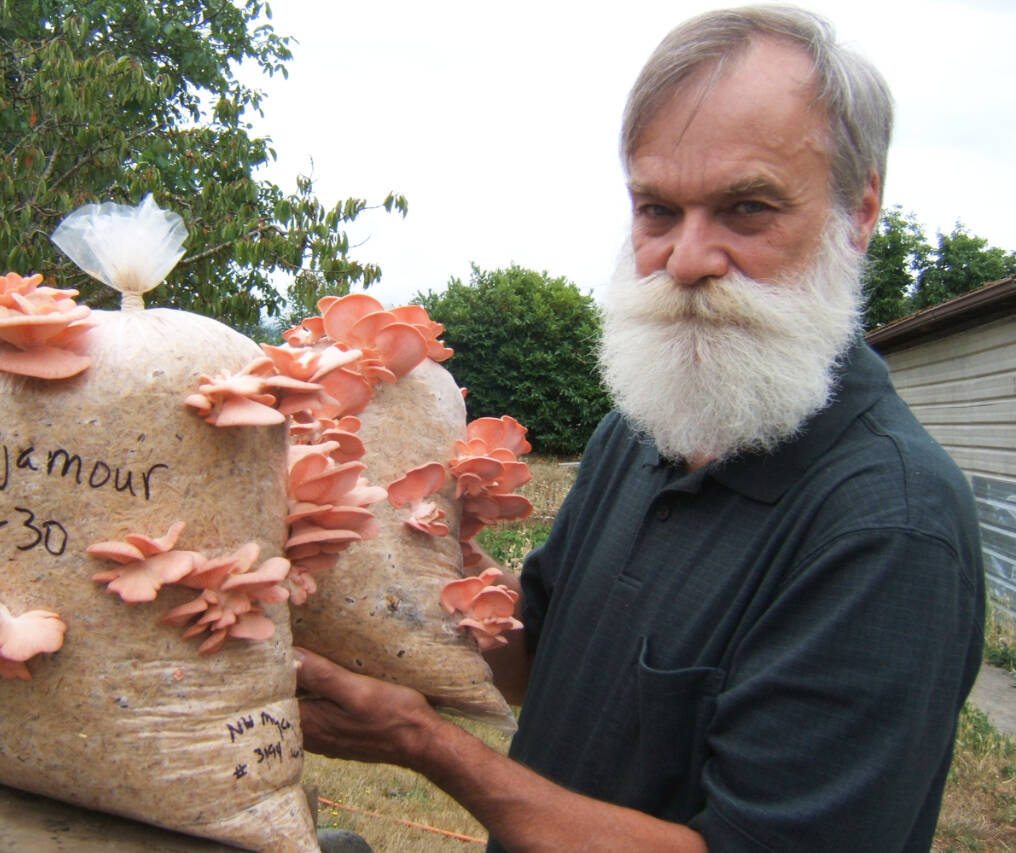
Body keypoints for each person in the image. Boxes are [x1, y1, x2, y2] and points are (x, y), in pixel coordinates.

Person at [293, 6, 986, 852]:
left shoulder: (888, 525)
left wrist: (425, 743)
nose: (688, 258)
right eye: (657, 209)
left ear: (859, 208)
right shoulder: (645, 427)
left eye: (748, 209)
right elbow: (536, 665)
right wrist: (426, 556)